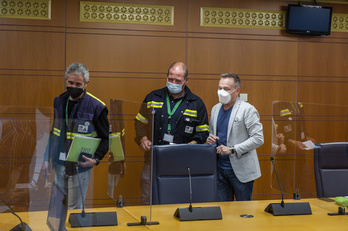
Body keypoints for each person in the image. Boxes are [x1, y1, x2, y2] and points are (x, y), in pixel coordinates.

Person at [134, 61, 209, 204]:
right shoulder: (152, 97)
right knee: (147, 198)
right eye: (170, 79)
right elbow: (139, 123)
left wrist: (191, 145)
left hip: (181, 161)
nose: (173, 83)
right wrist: (143, 139)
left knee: (176, 199)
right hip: (153, 158)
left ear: (186, 80)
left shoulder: (196, 103)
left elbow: (202, 132)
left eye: (178, 80)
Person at [41, 63, 109, 209]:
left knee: (75, 210)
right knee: (58, 208)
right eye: (70, 83)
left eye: (78, 84)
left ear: (86, 83)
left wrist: (96, 159)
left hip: (80, 168)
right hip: (59, 165)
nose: (74, 86)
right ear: (66, 80)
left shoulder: (97, 107)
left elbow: (106, 139)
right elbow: (54, 132)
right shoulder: (59, 102)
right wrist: (46, 158)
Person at [207, 73, 264, 201]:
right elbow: (211, 132)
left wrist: (233, 149)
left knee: (243, 213)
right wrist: (209, 138)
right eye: (220, 88)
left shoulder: (247, 110)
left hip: (241, 171)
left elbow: (258, 138)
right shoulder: (215, 109)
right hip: (219, 170)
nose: (222, 92)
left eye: (226, 89)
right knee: (223, 212)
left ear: (237, 90)